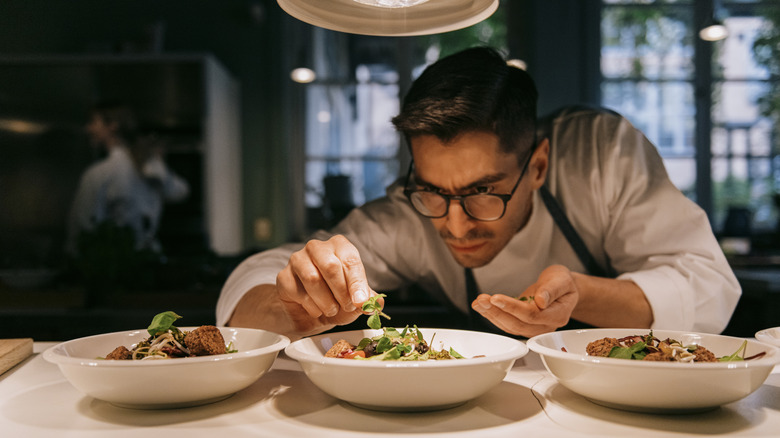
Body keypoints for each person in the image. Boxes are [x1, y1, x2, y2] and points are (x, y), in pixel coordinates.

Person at [217, 47, 740, 340]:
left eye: (482, 191)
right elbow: (259, 279)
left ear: (537, 166)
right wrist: (300, 303)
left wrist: (584, 293)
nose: (456, 223)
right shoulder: (410, 215)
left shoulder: (601, 154)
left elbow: (708, 285)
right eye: (433, 191)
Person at [65, 100, 190, 257]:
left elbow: (82, 228)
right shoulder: (148, 164)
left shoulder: (101, 172)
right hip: (148, 259)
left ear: (113, 125)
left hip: (114, 262)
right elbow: (180, 192)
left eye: (93, 122)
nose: (88, 128)